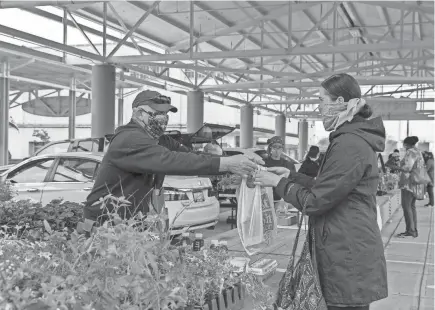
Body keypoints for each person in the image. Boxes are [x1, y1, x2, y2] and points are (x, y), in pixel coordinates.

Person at [253, 73, 388, 310]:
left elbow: (315, 202)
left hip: (346, 251)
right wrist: (291, 176)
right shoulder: (350, 138)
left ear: (340, 101)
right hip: (345, 244)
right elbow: (330, 185)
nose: (319, 107)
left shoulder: (349, 144)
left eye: (321, 100)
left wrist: (277, 183)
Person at [83, 90, 262, 225]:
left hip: (128, 222)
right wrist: (227, 164)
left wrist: (236, 159)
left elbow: (190, 156)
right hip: (104, 222)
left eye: (165, 114)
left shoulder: (158, 139)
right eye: (157, 113)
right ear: (138, 113)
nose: (163, 118)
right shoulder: (129, 139)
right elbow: (171, 160)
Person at [391, 136, 426, 237]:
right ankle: (413, 230)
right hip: (416, 183)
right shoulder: (418, 151)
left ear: (406, 144)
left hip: (408, 183)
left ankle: (410, 231)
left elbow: (407, 167)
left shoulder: (410, 152)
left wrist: (395, 167)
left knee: (406, 207)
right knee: (411, 206)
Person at [263, 136, 296, 201]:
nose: (277, 150)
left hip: (283, 199)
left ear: (282, 149)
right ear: (270, 148)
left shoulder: (288, 164)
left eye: (279, 147)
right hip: (266, 199)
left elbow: (293, 183)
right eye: (274, 147)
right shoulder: (263, 163)